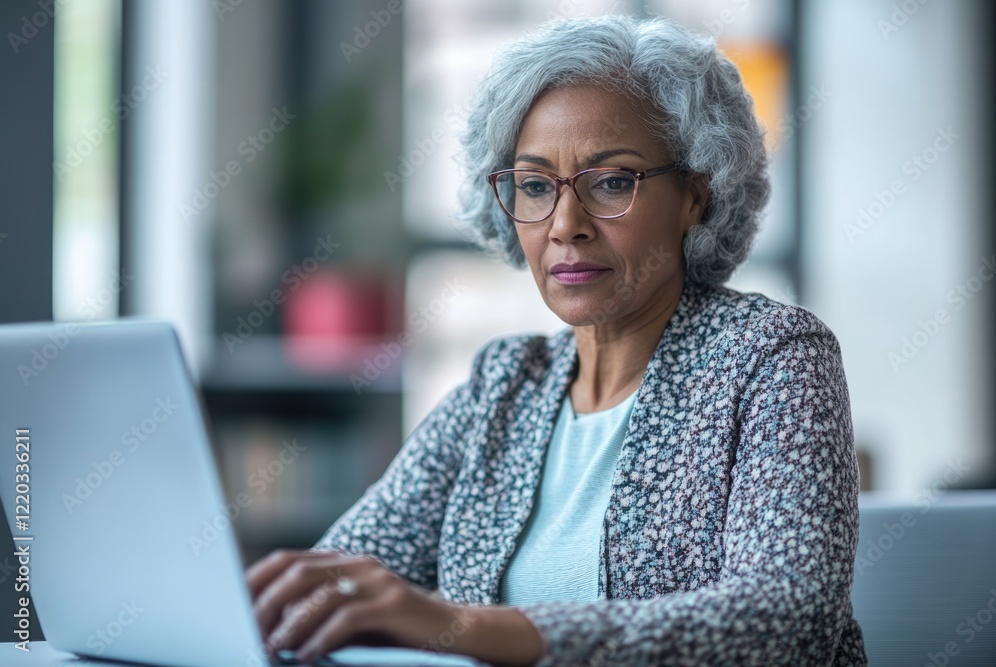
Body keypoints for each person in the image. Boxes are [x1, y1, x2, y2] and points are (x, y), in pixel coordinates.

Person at [246, 14, 867, 666]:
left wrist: (462, 626)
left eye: (611, 182)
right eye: (536, 186)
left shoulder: (772, 356)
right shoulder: (506, 382)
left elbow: (786, 621)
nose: (565, 224)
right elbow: (338, 575)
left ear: (695, 195)